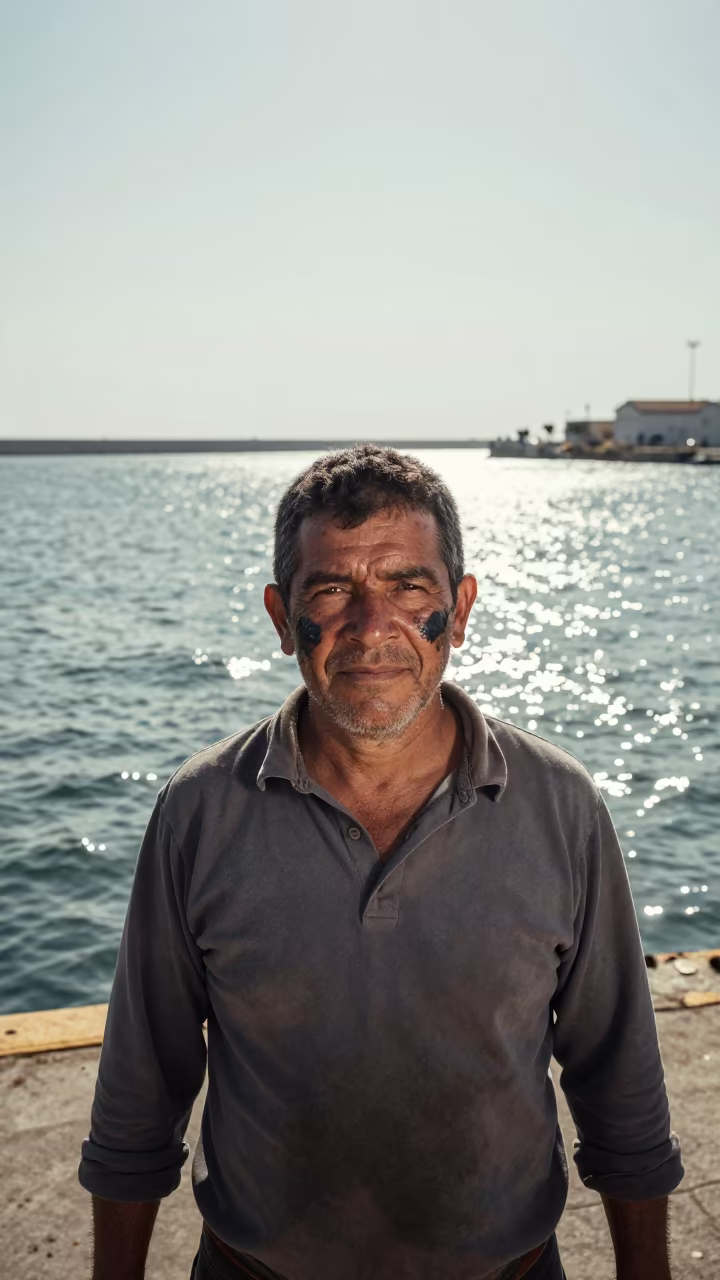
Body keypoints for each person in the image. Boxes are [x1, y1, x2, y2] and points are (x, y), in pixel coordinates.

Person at [79, 445, 682, 1280]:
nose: (372, 628)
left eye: (408, 587)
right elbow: (141, 1089)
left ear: (459, 610)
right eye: (332, 590)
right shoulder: (200, 810)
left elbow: (620, 1078)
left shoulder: (560, 805)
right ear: (281, 617)